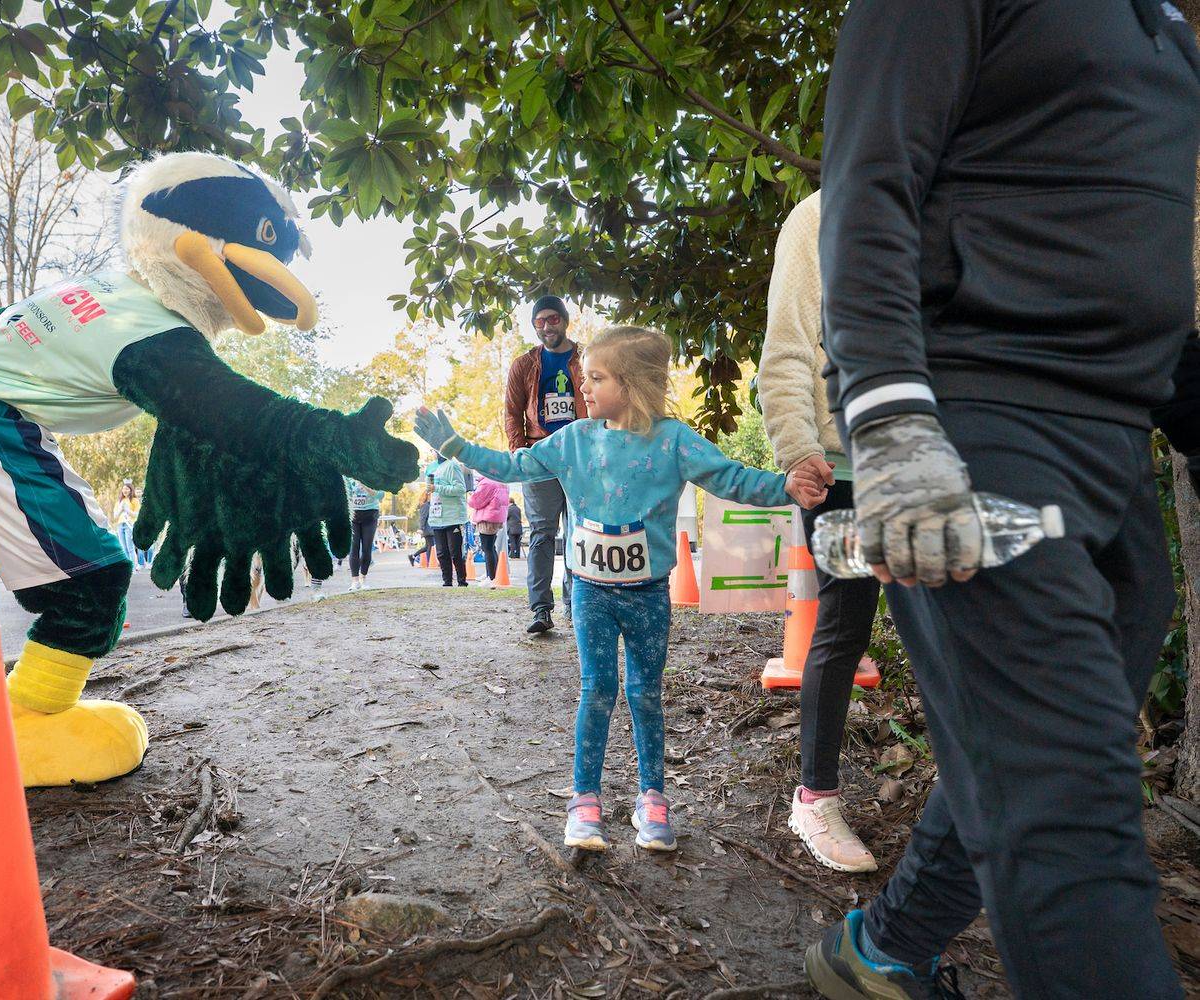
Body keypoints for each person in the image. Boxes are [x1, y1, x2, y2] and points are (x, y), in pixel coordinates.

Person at [806, 3, 1200, 998]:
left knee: (1057, 755)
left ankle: (884, 951)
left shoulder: (1163, 31)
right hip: (977, 426)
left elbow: (1135, 266)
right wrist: (891, 420)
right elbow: (869, 180)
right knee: (1071, 813)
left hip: (1117, 440)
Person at [417, 326, 825, 853]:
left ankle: (652, 798)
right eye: (586, 377)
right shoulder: (571, 441)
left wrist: (785, 487)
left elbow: (731, 479)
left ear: (631, 383)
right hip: (589, 593)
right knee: (597, 689)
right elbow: (511, 465)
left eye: (596, 377)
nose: (583, 388)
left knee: (645, 695)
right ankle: (584, 799)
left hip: (648, 594)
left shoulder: (674, 441)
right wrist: (454, 445)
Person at [757, 191, 878, 875]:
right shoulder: (820, 215)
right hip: (842, 470)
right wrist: (799, 446)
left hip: (932, 460)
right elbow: (789, 346)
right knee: (845, 619)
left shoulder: (953, 194)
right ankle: (816, 797)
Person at [505, 294, 585, 633]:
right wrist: (519, 453)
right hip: (539, 457)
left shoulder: (586, 358)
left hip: (582, 455)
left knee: (580, 531)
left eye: (553, 319)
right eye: (539, 321)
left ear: (564, 320)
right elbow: (512, 413)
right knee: (541, 533)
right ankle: (541, 609)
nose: (546, 326)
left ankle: (576, 603)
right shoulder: (524, 365)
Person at [425, 452, 470, 587]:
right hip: (437, 517)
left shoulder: (452, 465)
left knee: (455, 552)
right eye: (432, 449)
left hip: (452, 517)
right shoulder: (432, 467)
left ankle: (462, 581)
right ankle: (447, 582)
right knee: (441, 553)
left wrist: (437, 487)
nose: (434, 452)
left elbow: (460, 489)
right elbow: (432, 492)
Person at [467, 472, 510, 586]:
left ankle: (491, 577)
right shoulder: (501, 481)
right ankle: (492, 574)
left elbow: (475, 501)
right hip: (496, 517)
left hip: (487, 517)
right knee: (491, 547)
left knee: (487, 548)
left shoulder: (487, 483)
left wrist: (471, 495)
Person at [345, 476, 385, 590]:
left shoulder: (372, 474)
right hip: (353, 515)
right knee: (354, 547)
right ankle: (355, 581)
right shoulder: (349, 476)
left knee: (367, 548)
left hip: (370, 514)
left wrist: (365, 485)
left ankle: (363, 579)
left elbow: (380, 495)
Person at [112, 479, 139, 563]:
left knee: (130, 547)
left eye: (127, 489)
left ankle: (133, 567)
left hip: (129, 525)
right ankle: (128, 566)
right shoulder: (119, 502)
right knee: (123, 548)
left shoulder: (134, 500)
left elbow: (136, 514)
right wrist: (121, 509)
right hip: (120, 525)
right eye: (123, 489)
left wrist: (127, 510)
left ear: (131, 490)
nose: (125, 490)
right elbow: (115, 516)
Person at [408, 493, 432, 566]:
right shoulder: (426, 506)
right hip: (428, 529)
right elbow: (423, 518)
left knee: (428, 546)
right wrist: (421, 528)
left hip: (429, 528)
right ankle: (429, 562)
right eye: (431, 495)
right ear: (427, 496)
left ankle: (413, 556)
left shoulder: (428, 505)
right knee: (430, 547)